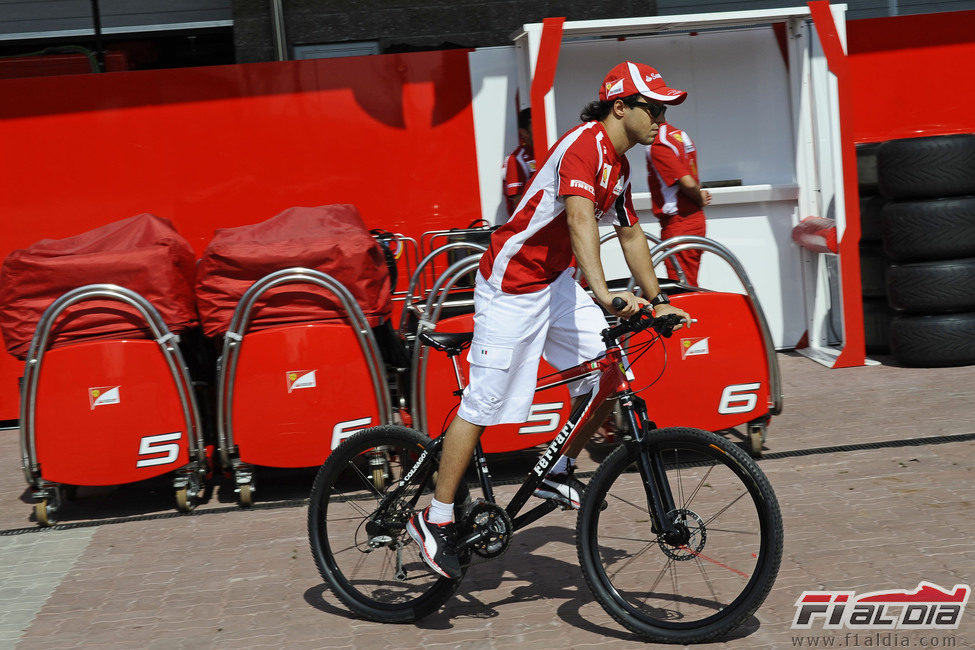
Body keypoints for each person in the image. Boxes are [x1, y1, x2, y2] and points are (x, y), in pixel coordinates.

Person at [407, 61, 692, 579]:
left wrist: (659, 298)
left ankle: (555, 469)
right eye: (654, 108)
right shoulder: (584, 147)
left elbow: (630, 235)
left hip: (556, 283)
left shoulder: (621, 167)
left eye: (665, 109)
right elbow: (581, 217)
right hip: (510, 286)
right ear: (620, 106)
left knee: (608, 370)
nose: (662, 119)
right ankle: (438, 517)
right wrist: (605, 294)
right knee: (484, 403)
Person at [646, 110, 711, 286]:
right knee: (689, 282)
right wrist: (699, 195)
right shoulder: (678, 134)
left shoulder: (659, 142)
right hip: (693, 220)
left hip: (680, 222)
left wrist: (698, 197)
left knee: (682, 287)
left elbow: (687, 182)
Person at [502, 108, 536, 216]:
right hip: (527, 227)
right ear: (524, 132)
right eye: (536, 126)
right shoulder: (516, 159)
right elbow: (519, 205)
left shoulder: (549, 151)